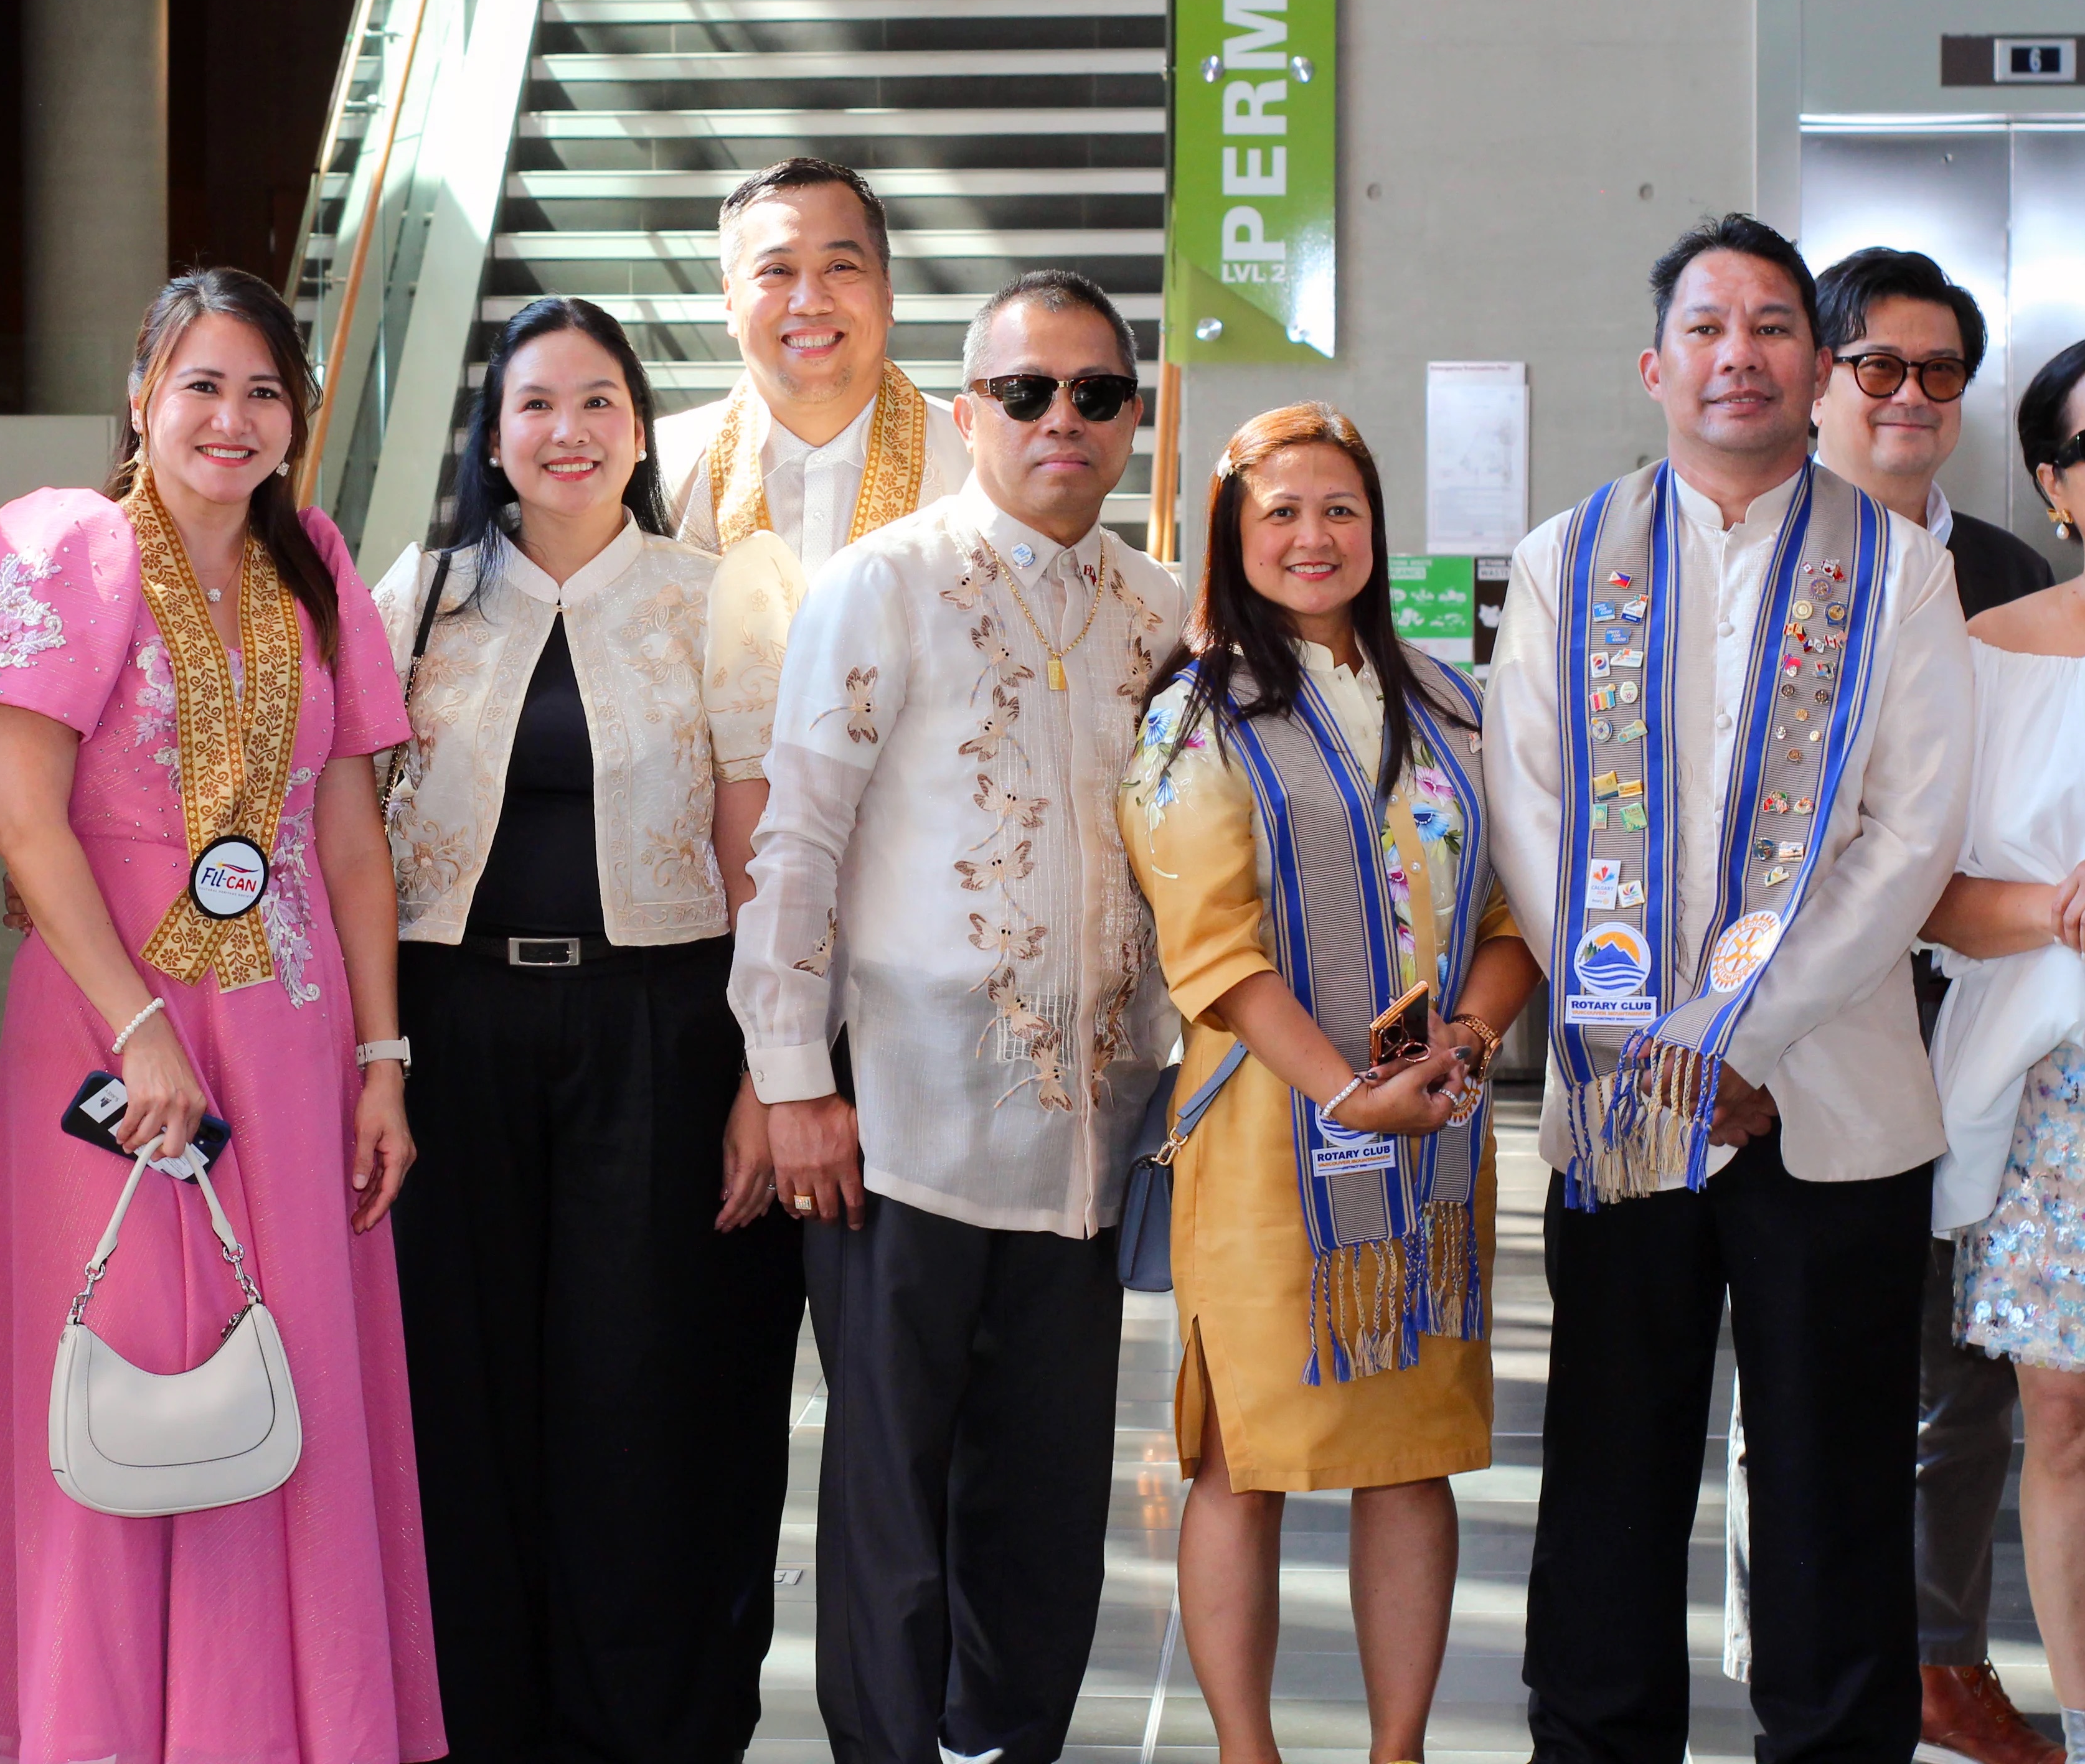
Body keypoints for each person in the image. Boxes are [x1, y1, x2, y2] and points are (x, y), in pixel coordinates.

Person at [0, 267, 440, 1763]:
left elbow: (351, 840)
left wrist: (381, 1061)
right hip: (111, 1035)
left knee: (288, 1373)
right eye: (201, 385)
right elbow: (24, 823)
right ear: (141, 396)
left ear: (299, 416)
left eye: (263, 391)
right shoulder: (56, 546)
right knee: (130, 1365)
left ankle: (284, 1727)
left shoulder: (316, 563)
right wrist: (137, 1026)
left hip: (291, 1038)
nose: (232, 418)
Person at [1489, 214, 1972, 1763]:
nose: (1738, 354)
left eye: (1772, 326)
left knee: (1834, 1472)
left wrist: (1739, 1037)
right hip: (1621, 1091)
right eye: (1706, 327)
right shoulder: (1567, 558)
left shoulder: (1898, 570)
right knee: (1608, 1459)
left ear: (1815, 367)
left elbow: (1912, 833)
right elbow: (1528, 812)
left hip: (1829, 1097)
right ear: (1655, 367)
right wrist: (1658, 1045)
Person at [731, 267, 1178, 1764]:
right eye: (1026, 391)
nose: (1062, 420)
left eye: (1095, 393)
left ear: (1130, 416)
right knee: (890, 1502)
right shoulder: (885, 583)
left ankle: (1010, 1742)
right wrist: (790, 1078)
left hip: (1087, 1132)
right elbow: (796, 840)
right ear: (969, 408)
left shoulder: (1159, 612)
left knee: (1045, 1507)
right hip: (900, 1125)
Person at [370, 296, 799, 1762]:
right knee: (460, 1389)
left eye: (599, 401)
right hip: (452, 1027)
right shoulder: (420, 594)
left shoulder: (717, 596)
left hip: (660, 1030)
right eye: (537, 404)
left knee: (648, 1391)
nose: (569, 431)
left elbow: (763, 854)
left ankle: (646, 1726)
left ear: (640, 429)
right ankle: (468, 1720)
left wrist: (767, 1075)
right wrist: (373, 1058)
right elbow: (346, 832)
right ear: (492, 436)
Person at [1118, 401, 1543, 1763]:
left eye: (1340, 509)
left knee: (1408, 1456)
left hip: (1430, 1132)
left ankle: (1396, 1749)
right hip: (1264, 1135)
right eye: (1281, 512)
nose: (1313, 536)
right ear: (1231, 537)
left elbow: (1513, 919)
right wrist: (1341, 1091)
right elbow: (1211, 947)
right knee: (1242, 1456)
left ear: (1376, 527)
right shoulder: (1196, 715)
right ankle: (1246, 1752)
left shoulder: (1450, 702)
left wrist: (1462, 1040)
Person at [1803, 245, 2058, 1763]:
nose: (1909, 394)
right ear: (1818, 379)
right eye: (1878, 366)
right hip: (1802, 1024)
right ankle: (1806, 1656)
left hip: (1983, 1013)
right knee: (1806, 1364)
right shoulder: (1770, 565)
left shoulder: (2018, 578)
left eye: (1939, 370)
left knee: (1965, 1365)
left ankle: (1943, 1656)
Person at [1918, 324, 2085, 1764]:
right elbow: (1921, 895)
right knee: (2068, 1421)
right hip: (2061, 1081)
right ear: (2055, 482)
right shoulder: (1985, 659)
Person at [652, 156, 974, 577]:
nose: (810, 302)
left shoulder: (981, 465)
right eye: (776, 271)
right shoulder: (655, 469)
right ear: (730, 302)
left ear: (887, 291)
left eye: (840, 267)